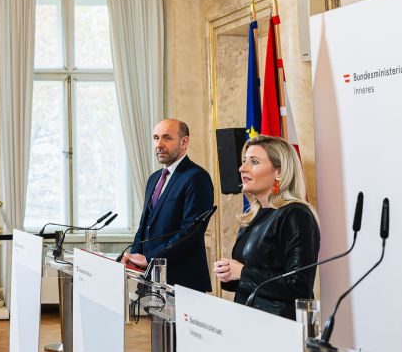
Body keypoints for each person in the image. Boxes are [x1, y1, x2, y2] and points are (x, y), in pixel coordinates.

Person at [212, 135, 320, 317]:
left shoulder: (295, 214)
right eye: (244, 161)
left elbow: (299, 285)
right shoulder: (253, 216)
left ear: (279, 172)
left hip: (278, 324)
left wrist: (243, 272)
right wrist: (229, 273)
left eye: (254, 162)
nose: (242, 168)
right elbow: (251, 277)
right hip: (249, 319)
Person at [121, 118, 215, 291]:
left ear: (184, 142)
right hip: (150, 277)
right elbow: (145, 226)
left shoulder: (196, 177)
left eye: (167, 138)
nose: (159, 144)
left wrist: (150, 259)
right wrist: (134, 257)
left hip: (182, 280)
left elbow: (190, 233)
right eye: (156, 138)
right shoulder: (154, 178)